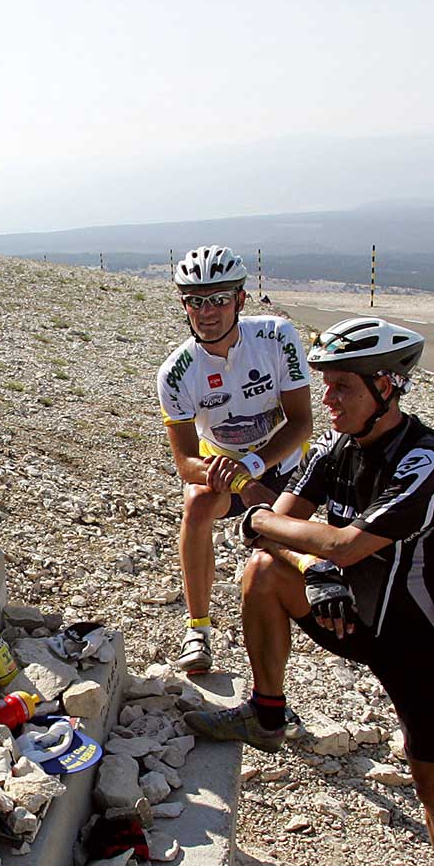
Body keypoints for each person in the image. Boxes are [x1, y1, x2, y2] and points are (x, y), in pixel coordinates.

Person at [185, 317, 434, 866]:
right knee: (262, 572)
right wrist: (308, 558)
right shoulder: (333, 451)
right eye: (325, 386)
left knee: (432, 779)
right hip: (349, 610)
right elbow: (267, 530)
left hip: (424, 640)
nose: (327, 401)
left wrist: (308, 546)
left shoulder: (427, 458)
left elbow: (345, 543)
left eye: (343, 387)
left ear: (387, 387)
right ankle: (268, 714)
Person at [156, 246, 314, 675]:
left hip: (289, 467)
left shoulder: (278, 337)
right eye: (196, 301)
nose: (208, 312)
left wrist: (255, 467)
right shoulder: (176, 372)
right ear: (184, 304)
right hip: (228, 474)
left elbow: (301, 424)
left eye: (220, 299)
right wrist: (242, 481)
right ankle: (197, 629)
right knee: (196, 504)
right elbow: (186, 461)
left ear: (240, 300)